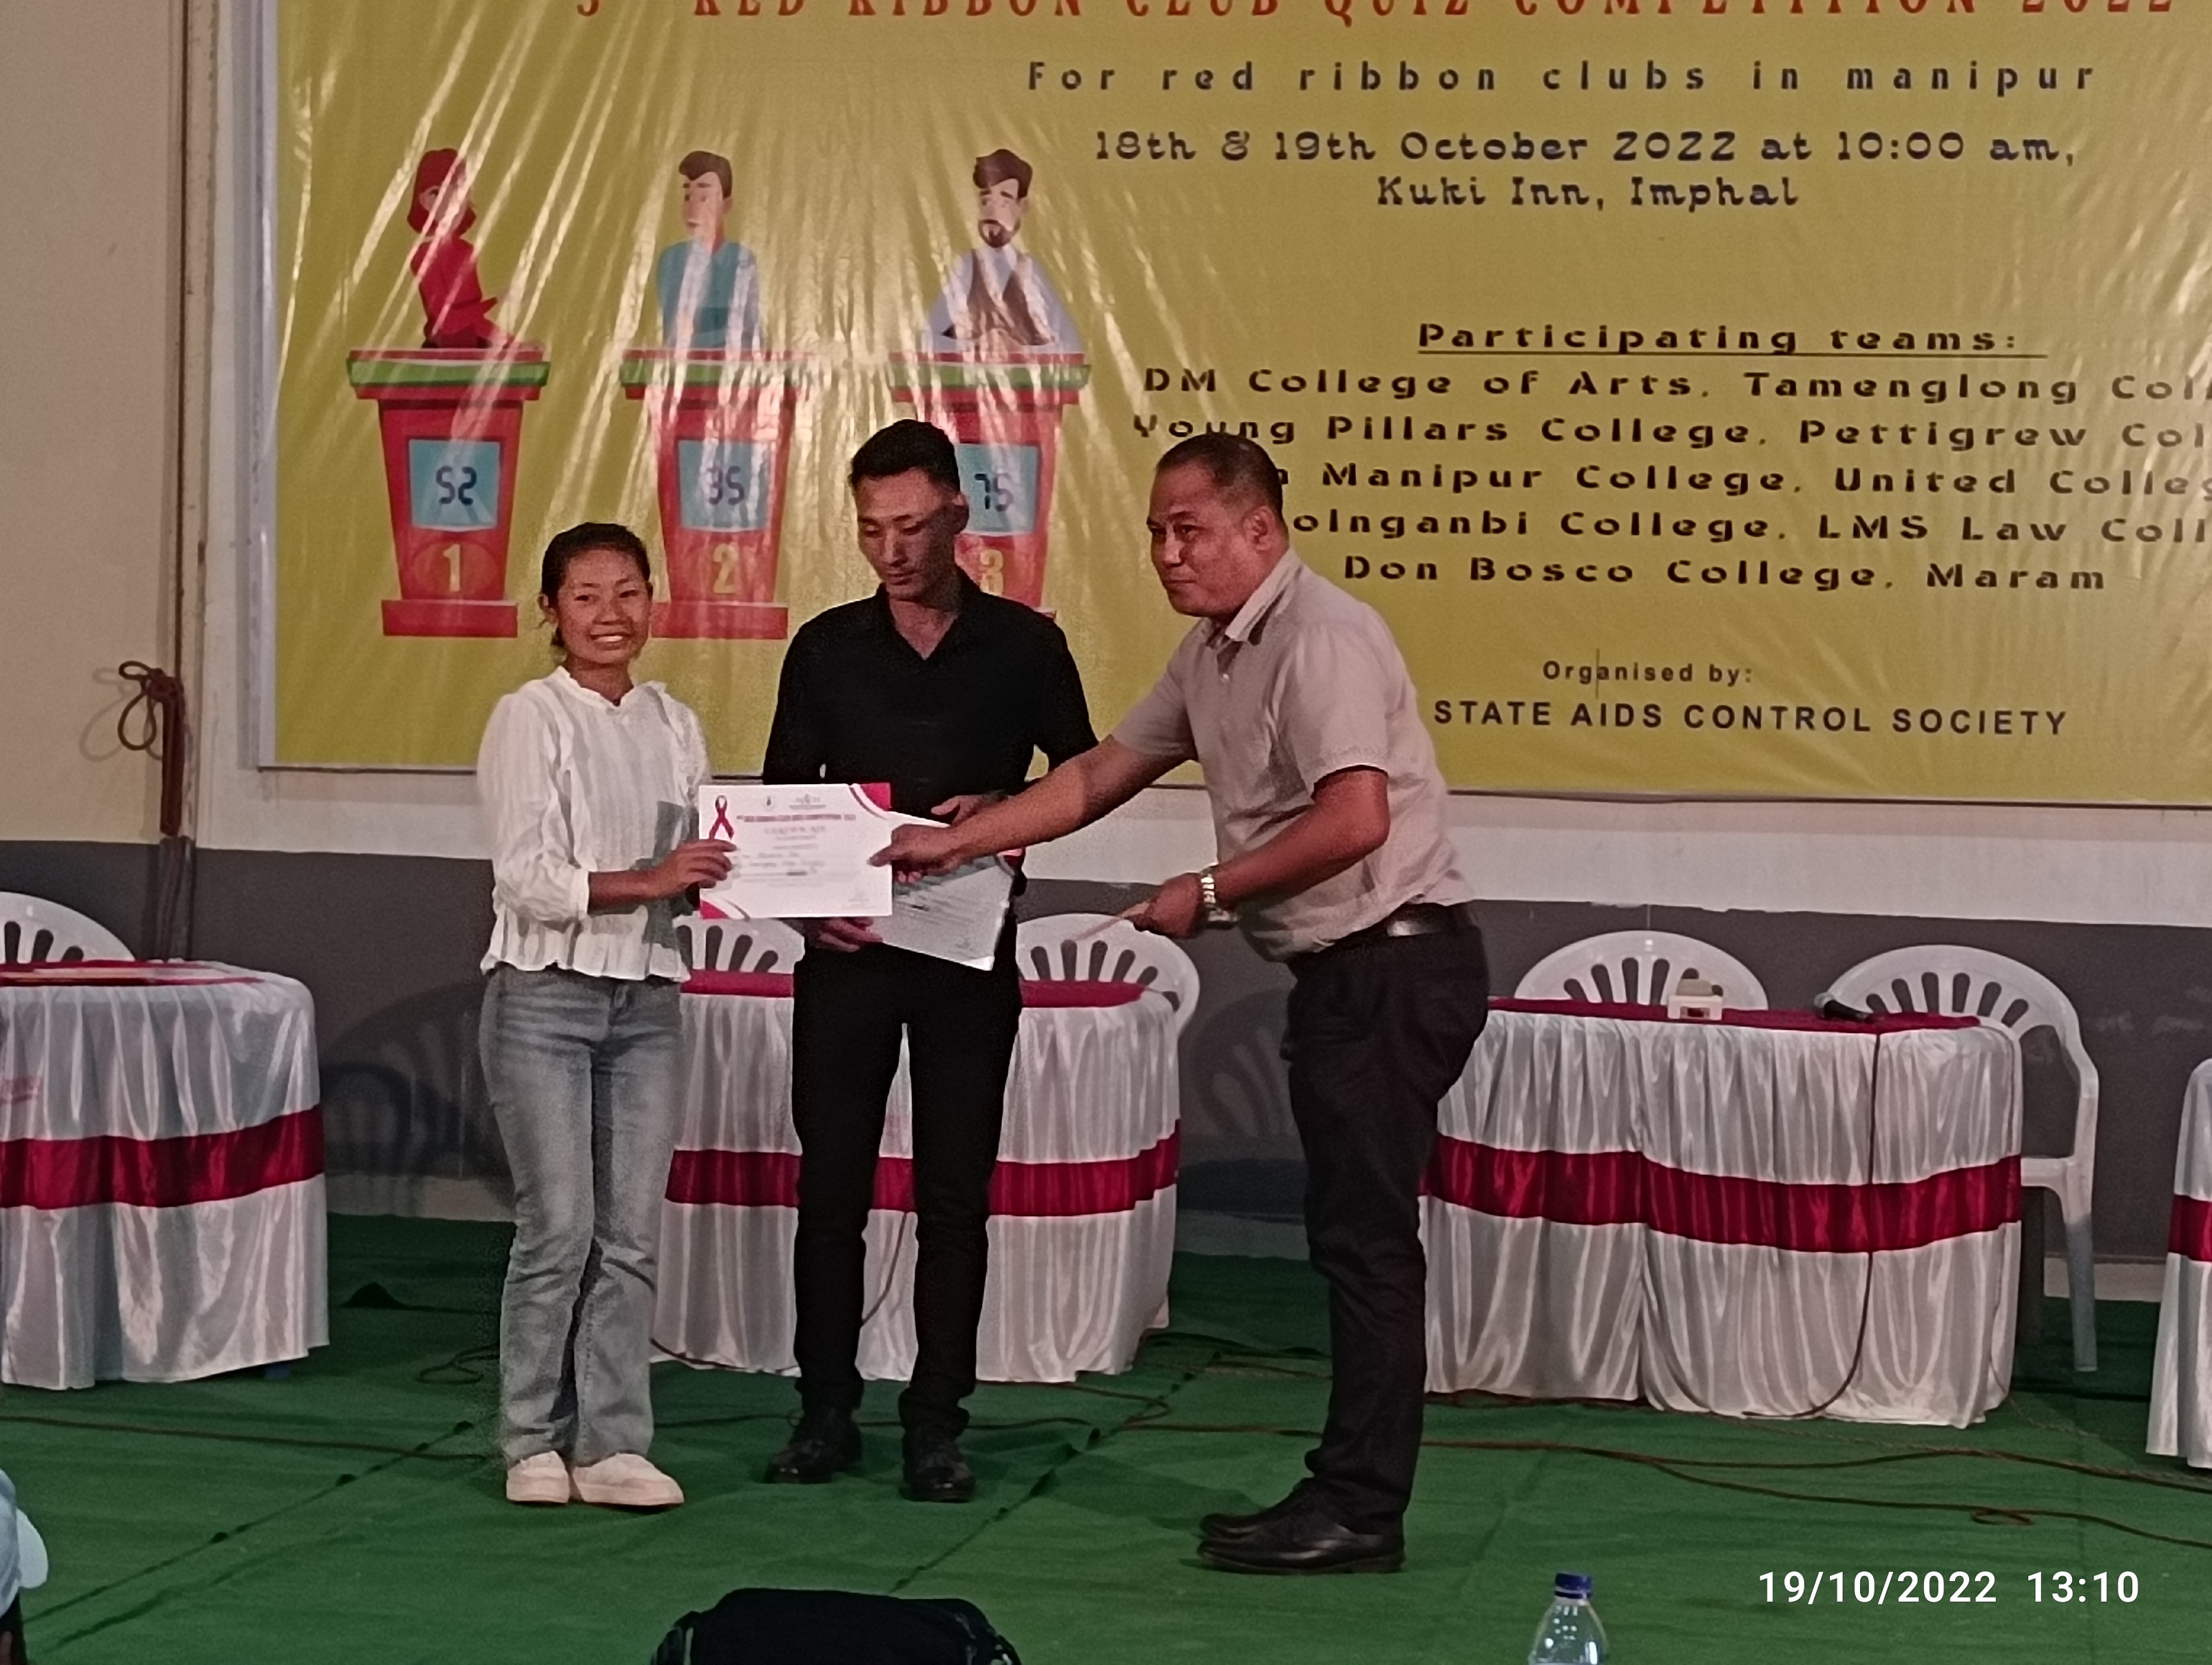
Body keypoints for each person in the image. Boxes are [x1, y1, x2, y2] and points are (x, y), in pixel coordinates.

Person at [883, 433, 1487, 1573]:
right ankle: (1348, 1487)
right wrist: (960, 839)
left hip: (1394, 963)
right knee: (1352, 1238)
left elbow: (1356, 818)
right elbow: (1097, 772)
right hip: (1347, 972)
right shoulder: (1214, 650)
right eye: (1157, 531)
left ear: (1261, 528)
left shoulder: (1321, 636)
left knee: (1366, 1244)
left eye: (1190, 529)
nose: (1167, 551)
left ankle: (1362, 1505)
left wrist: (1206, 892)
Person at [761, 419, 1095, 1502]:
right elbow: (780, 803)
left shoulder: (1026, 644)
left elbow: (1084, 773)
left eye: (910, 526)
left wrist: (1004, 808)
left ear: (958, 513)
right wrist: (806, 913)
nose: (892, 550)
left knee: (955, 1198)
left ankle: (936, 1421)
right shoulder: (824, 648)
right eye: (871, 530)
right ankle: (823, 1409)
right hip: (848, 954)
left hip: (966, 951)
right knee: (831, 1194)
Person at [476, 522, 732, 1510]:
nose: (609, 614)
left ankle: (615, 1443)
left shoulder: (675, 722)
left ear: (652, 601)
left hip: (649, 996)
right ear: (551, 610)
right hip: (545, 995)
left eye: (627, 592)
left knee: (630, 1235)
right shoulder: (529, 716)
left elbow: (700, 863)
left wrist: (742, 876)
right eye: (585, 596)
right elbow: (528, 878)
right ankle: (530, 1440)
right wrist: (655, 879)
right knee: (559, 1228)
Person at [922, 149, 1082, 357]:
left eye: (1004, 203)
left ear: (1022, 207)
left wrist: (1020, 349)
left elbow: (1070, 346)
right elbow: (927, 339)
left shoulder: (1031, 272)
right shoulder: (967, 267)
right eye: (986, 202)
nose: (992, 213)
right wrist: (975, 345)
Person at [653, 149, 764, 352]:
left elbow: (751, 332)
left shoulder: (743, 260)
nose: (693, 208)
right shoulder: (673, 260)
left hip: (735, 367)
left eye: (704, 198)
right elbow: (678, 332)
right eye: (688, 197)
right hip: (688, 367)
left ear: (727, 205)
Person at [406, 149, 511, 350]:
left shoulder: (466, 251)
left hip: (475, 349)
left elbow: (476, 323)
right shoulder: (424, 256)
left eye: (458, 191)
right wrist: (496, 300)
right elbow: (448, 323)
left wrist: (514, 344)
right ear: (424, 201)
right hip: (440, 354)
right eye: (436, 193)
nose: (450, 202)